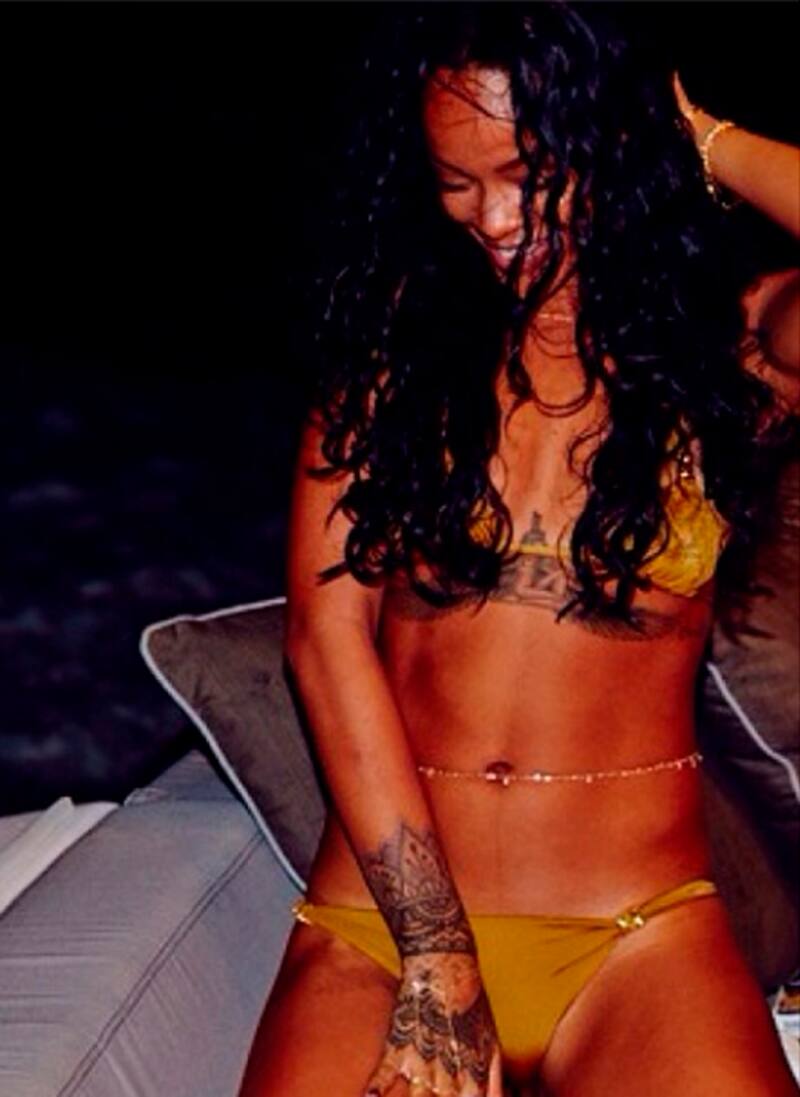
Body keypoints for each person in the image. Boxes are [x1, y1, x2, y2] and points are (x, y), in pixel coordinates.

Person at [241, 4, 799, 1095]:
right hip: (384, 927)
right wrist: (436, 950)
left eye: (528, 172)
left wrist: (696, 134)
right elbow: (326, 638)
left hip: (632, 935)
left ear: (609, 142)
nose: (494, 217)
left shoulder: (729, 356)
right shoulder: (395, 358)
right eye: (457, 182)